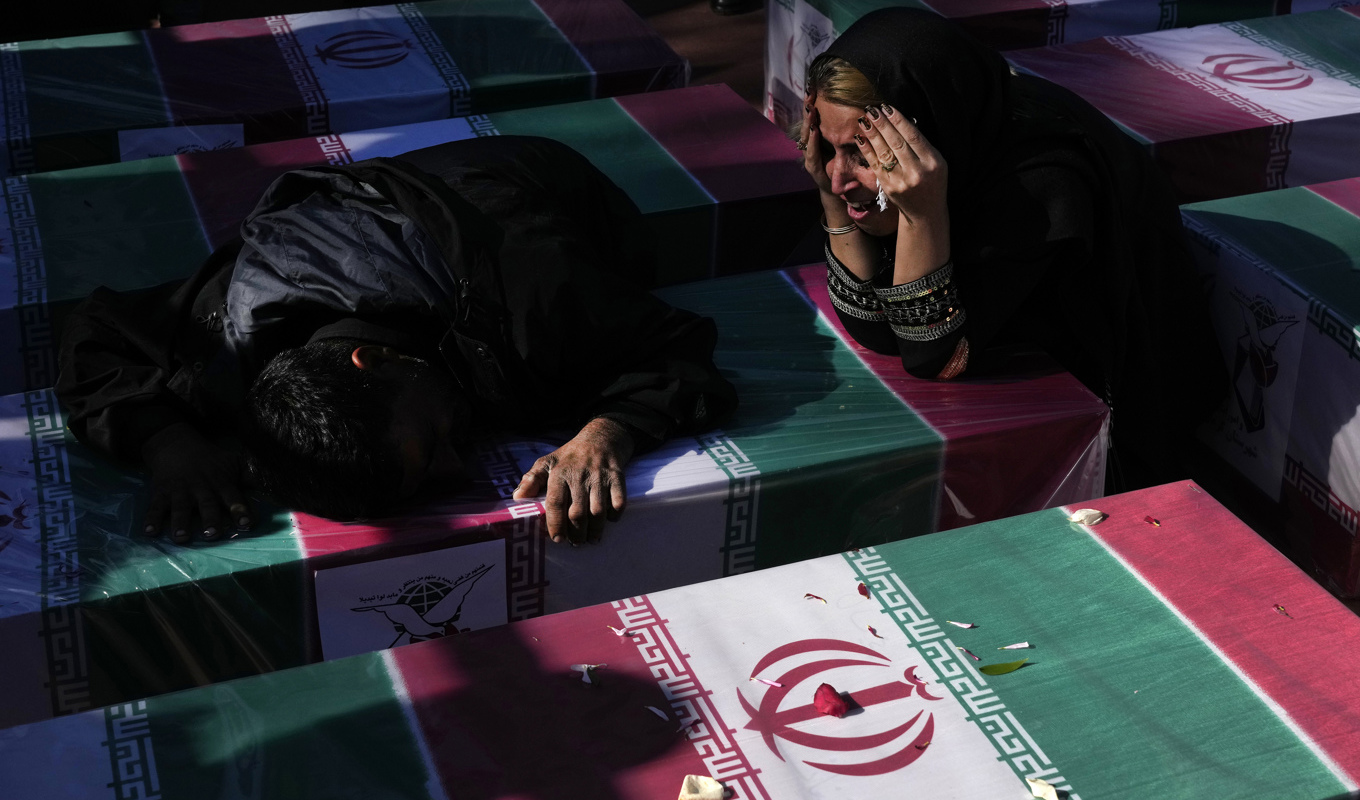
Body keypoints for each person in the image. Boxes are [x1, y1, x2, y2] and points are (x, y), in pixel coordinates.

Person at [56, 135, 737, 545]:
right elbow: (97, 334)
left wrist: (609, 431)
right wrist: (168, 443)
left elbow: (674, 345)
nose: (464, 469)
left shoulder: (537, 291)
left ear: (376, 359)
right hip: (378, 223)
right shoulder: (232, 325)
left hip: (535, 189)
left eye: (434, 443)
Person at [796, 8, 1225, 490]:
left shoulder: (1042, 187)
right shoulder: (962, 132)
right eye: (829, 148)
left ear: (927, 131)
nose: (836, 175)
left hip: (1120, 415)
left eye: (860, 151)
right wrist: (833, 204)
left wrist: (923, 215)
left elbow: (933, 358)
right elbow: (873, 331)